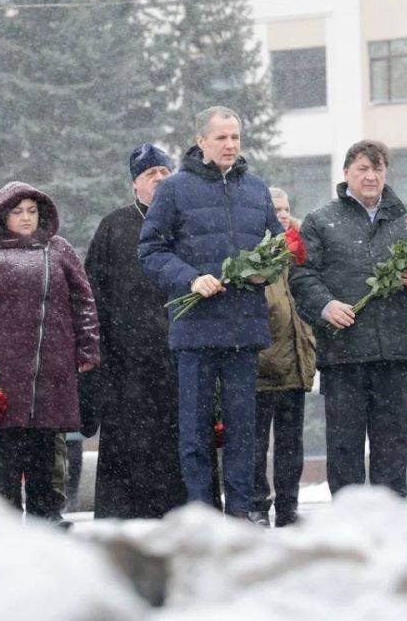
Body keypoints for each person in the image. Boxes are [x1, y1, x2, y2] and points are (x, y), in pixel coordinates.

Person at [139, 106, 284, 520]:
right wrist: (189, 279)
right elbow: (150, 250)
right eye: (221, 138)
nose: (230, 145)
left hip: (244, 329)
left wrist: (265, 272)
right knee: (196, 432)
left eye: (235, 137)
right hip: (196, 330)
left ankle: (241, 514)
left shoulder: (256, 189)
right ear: (201, 141)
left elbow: (277, 248)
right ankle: (202, 514)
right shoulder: (174, 190)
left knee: (244, 431)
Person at [289, 140, 407, 498]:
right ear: (346, 173)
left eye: (377, 169)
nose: (371, 176)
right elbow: (300, 275)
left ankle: (392, 515)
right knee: (344, 441)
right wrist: (326, 304)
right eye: (363, 169)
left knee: (392, 440)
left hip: (396, 349)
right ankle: (348, 518)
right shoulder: (321, 220)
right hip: (344, 350)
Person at [0, 182, 99, 524]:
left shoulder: (58, 250)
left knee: (46, 441)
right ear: (3, 215)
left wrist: (88, 347)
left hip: (51, 363)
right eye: (18, 212)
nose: (26, 218)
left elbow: (83, 301)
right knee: (7, 444)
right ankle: (8, 515)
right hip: (0, 366)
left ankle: (46, 512)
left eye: (32, 211)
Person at [83, 143, 187, 519]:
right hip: (125, 365)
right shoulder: (114, 226)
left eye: (164, 173)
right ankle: (121, 519)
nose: (159, 179)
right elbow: (93, 293)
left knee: (175, 445)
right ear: (134, 185)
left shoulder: (186, 223)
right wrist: (99, 355)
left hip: (177, 358)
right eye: (150, 175)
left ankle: (175, 518)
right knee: (127, 447)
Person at [249, 187, 316, 528]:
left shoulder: (300, 251)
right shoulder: (255, 252)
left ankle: (289, 508)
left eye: (287, 207)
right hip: (261, 365)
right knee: (256, 445)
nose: (283, 213)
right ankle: (258, 506)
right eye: (276, 208)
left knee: (291, 445)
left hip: (294, 362)